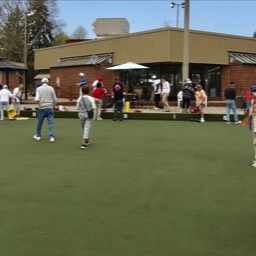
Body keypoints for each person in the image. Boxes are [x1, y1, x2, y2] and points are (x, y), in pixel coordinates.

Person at [33, 78, 57, 142]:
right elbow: (55, 99)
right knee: (50, 122)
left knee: (39, 122)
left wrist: (38, 104)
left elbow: (37, 99)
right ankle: (51, 137)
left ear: (42, 82)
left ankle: (38, 135)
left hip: (41, 108)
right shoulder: (51, 88)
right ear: (47, 82)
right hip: (49, 107)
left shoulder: (38, 89)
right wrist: (53, 106)